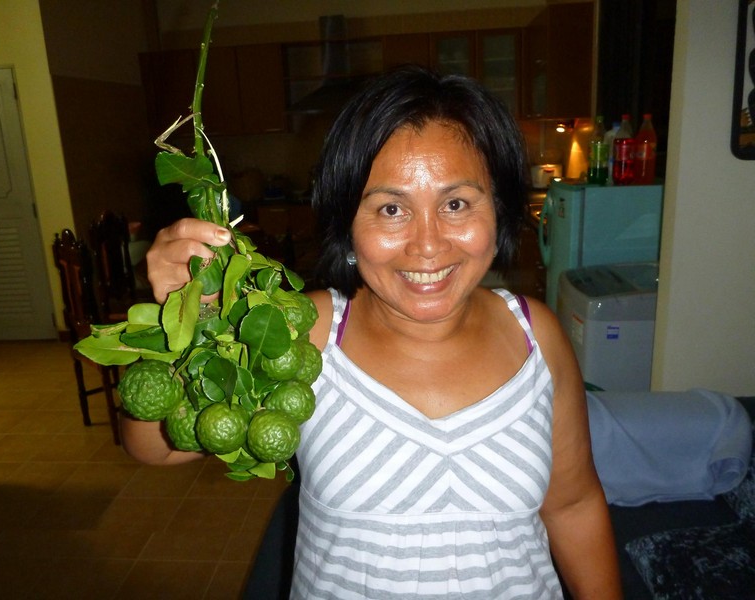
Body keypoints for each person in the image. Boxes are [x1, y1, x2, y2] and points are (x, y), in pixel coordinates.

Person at [125, 65, 622, 599]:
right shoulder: (304, 334)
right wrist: (185, 314)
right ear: (348, 221)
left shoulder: (536, 335)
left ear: (498, 209)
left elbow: (573, 504)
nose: (427, 245)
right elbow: (154, 447)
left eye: (456, 204)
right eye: (391, 208)